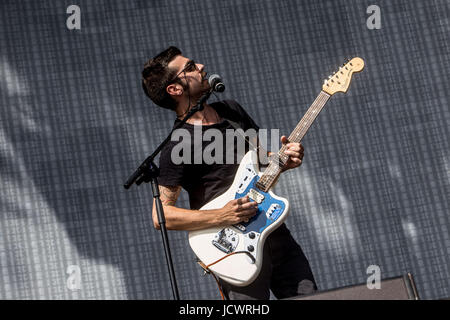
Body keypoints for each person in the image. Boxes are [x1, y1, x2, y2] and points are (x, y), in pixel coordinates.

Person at [141, 46, 317, 299]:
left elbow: (262, 163)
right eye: (190, 67)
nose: (200, 66)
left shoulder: (232, 111)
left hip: (273, 231)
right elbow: (161, 215)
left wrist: (284, 160)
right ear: (175, 89)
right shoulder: (176, 145)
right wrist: (221, 216)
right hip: (231, 249)